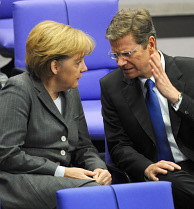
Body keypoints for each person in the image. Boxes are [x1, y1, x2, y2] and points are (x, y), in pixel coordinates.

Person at [0, 20, 111, 209]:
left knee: (99, 186)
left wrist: (98, 169)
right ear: (54, 67)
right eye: (78, 62)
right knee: (93, 193)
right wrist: (63, 172)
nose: (84, 68)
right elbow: (7, 155)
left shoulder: (70, 90)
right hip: (23, 180)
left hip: (61, 178)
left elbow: (84, 146)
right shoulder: (18, 89)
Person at [100, 8, 194, 209]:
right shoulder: (111, 86)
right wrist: (146, 167)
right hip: (160, 169)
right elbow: (118, 145)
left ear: (150, 44)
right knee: (173, 184)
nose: (120, 62)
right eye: (115, 55)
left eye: (127, 53)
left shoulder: (190, 71)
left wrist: (176, 98)